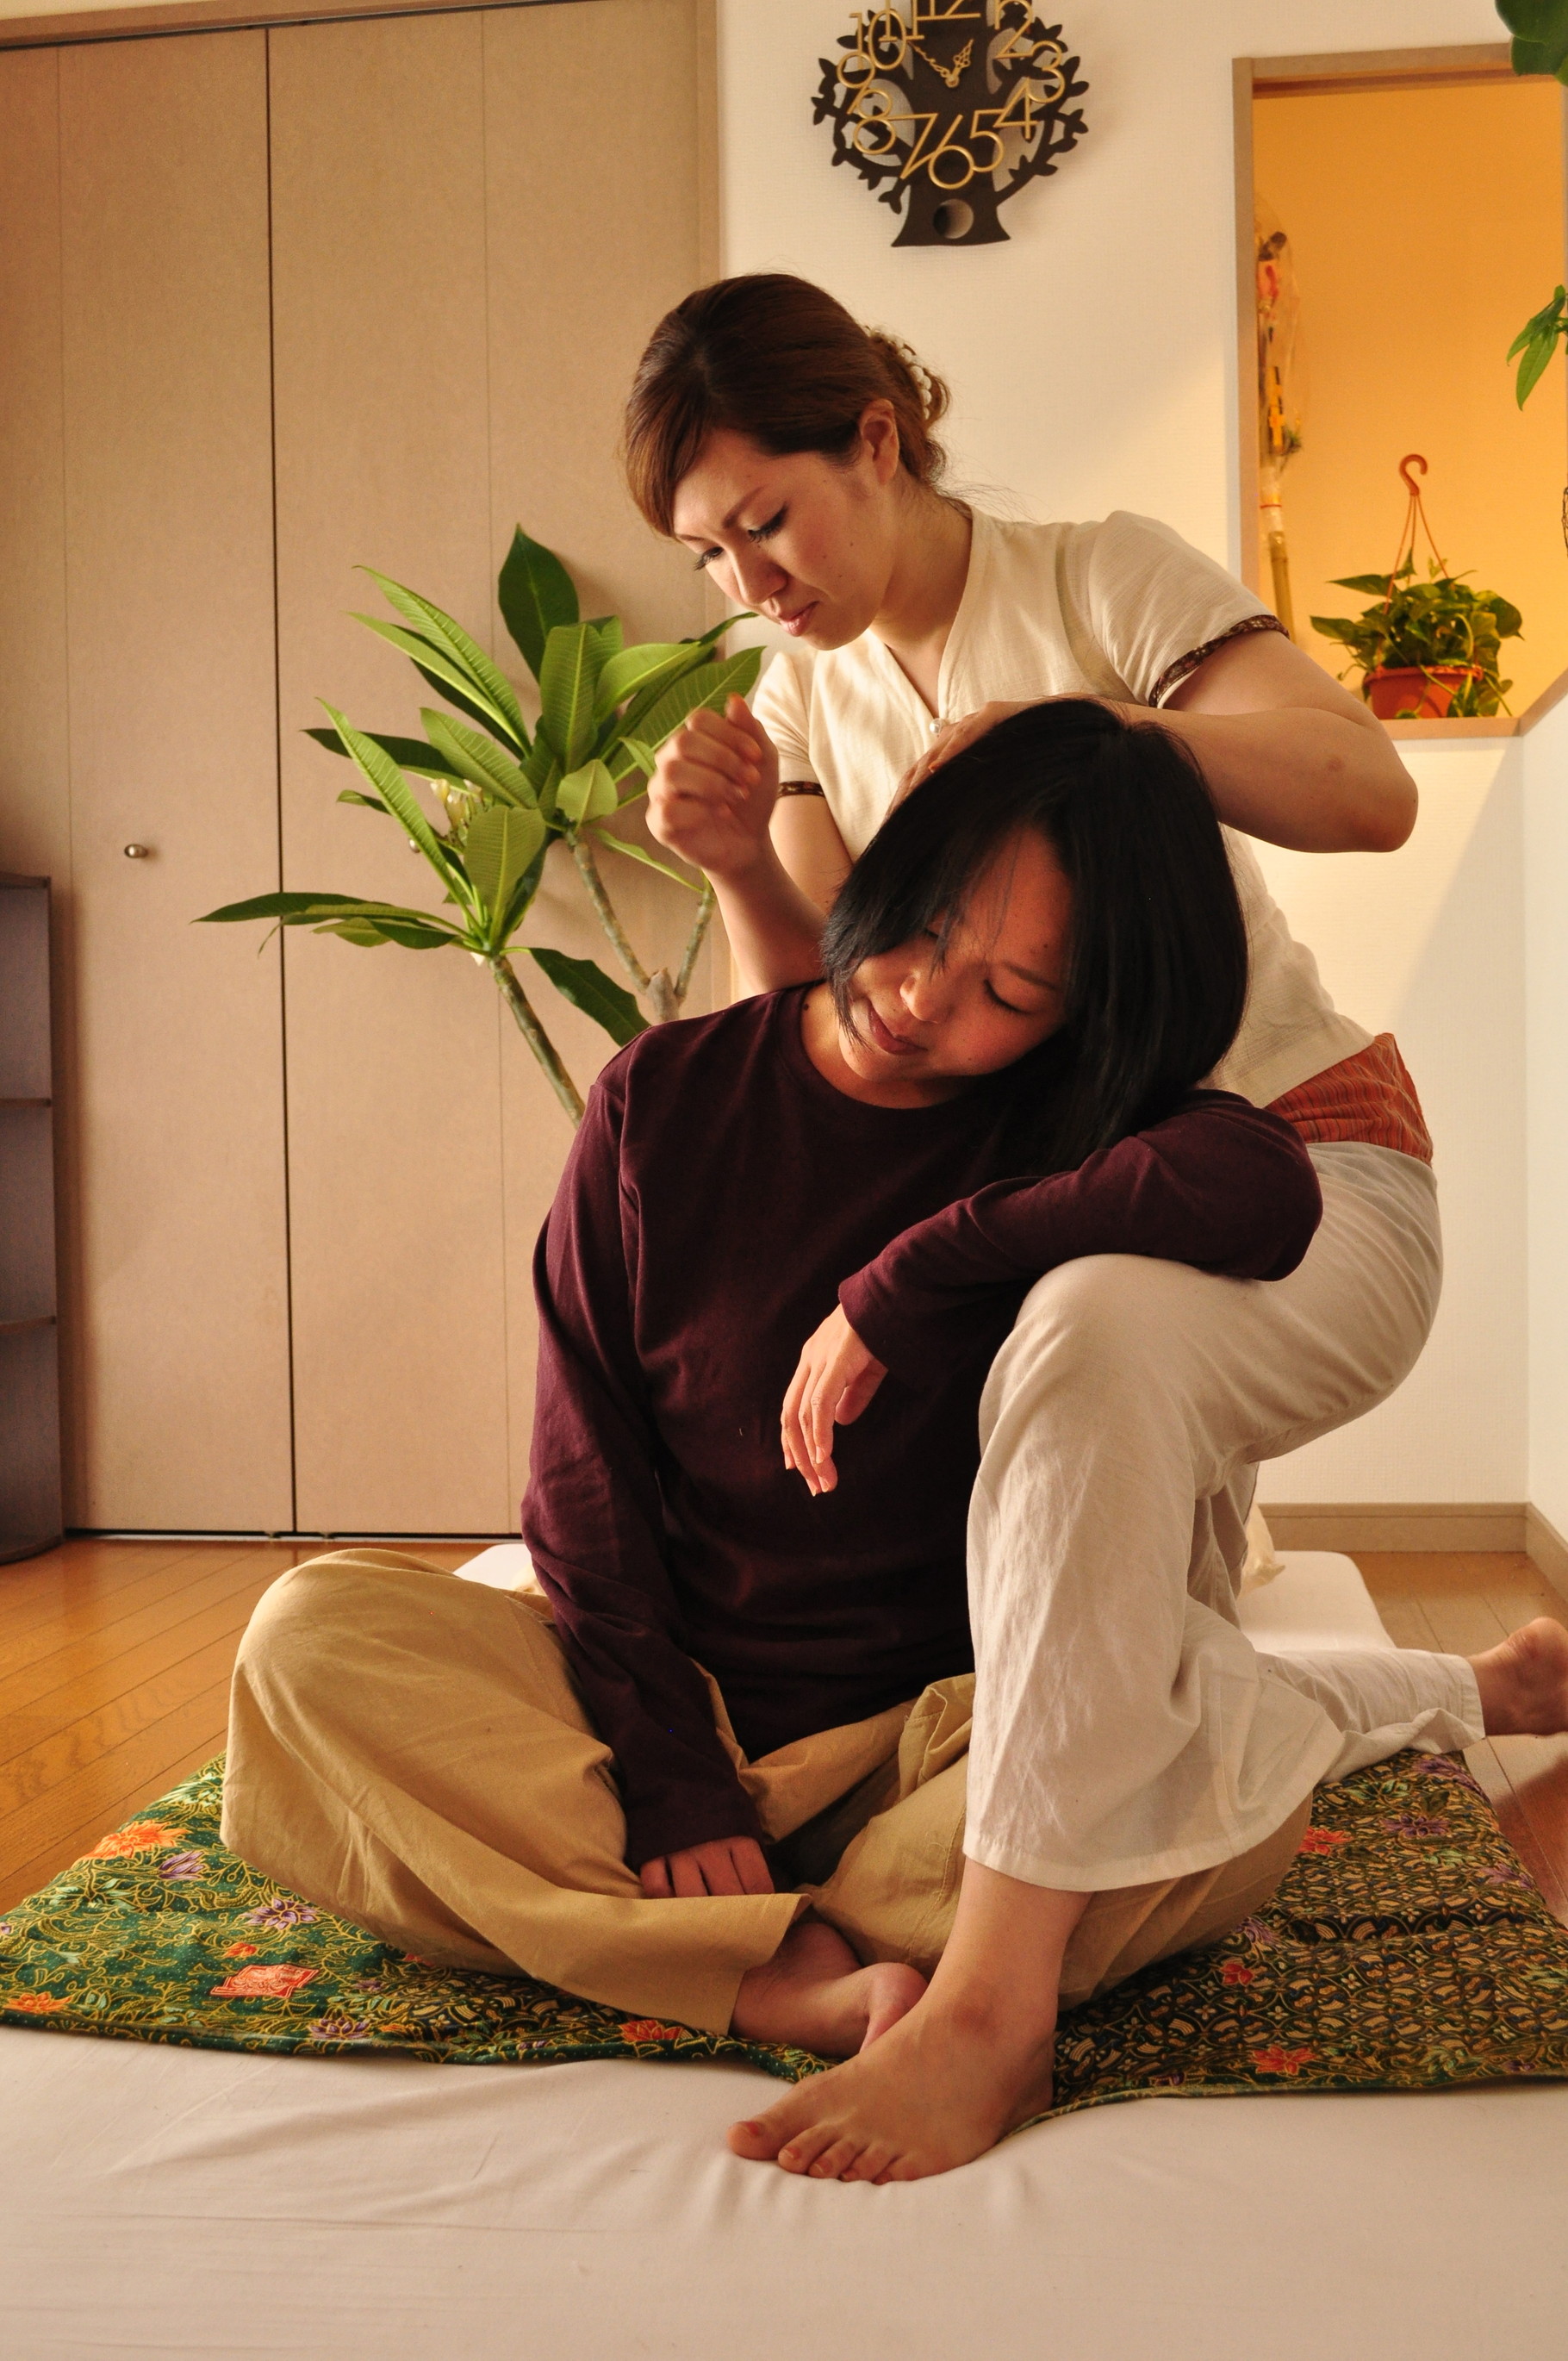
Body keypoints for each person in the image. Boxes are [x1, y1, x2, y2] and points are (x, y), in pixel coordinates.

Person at [221, 708, 1568, 2177]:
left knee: (1203, 1808)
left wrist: (921, 1270)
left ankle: (700, 1931)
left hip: (954, 1749)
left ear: (1081, 1011)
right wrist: (671, 1770)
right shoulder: (661, 1097)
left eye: (1009, 987)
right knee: (307, 1647)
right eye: (918, 925)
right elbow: (581, 1480)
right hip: (668, 1714)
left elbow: (1263, 1188)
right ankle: (778, 1976)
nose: (921, 997)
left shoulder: (1069, 1128)